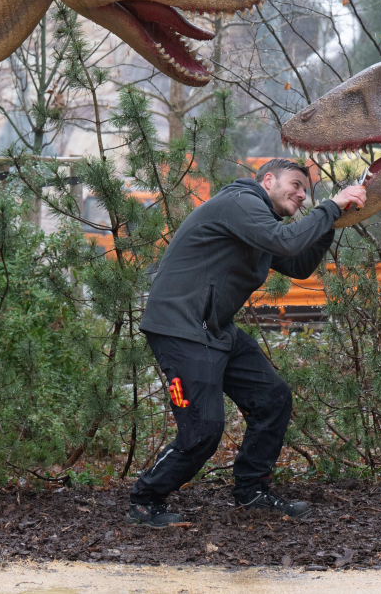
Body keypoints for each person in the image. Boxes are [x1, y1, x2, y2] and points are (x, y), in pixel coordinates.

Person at [125, 158, 367, 527]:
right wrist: (330, 206)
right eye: (296, 184)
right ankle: (145, 500)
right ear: (268, 180)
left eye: (307, 190)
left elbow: (298, 264)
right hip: (181, 328)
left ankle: (252, 492)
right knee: (203, 428)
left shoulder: (258, 223)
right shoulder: (241, 202)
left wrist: (333, 220)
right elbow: (286, 242)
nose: (302, 194)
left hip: (213, 328)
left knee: (272, 398)